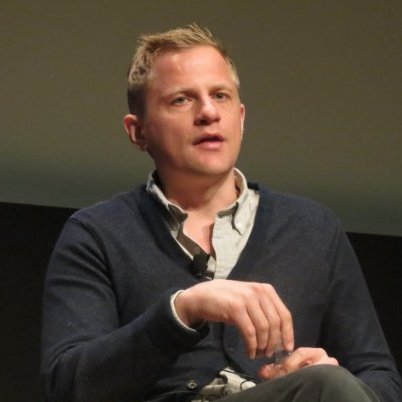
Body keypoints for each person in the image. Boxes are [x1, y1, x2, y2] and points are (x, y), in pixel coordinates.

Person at [41, 24, 402, 402]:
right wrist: (183, 309)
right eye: (182, 100)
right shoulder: (97, 234)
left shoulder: (313, 229)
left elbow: (382, 380)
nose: (209, 112)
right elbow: (68, 386)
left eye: (220, 96)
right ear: (138, 132)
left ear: (241, 117)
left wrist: (325, 374)